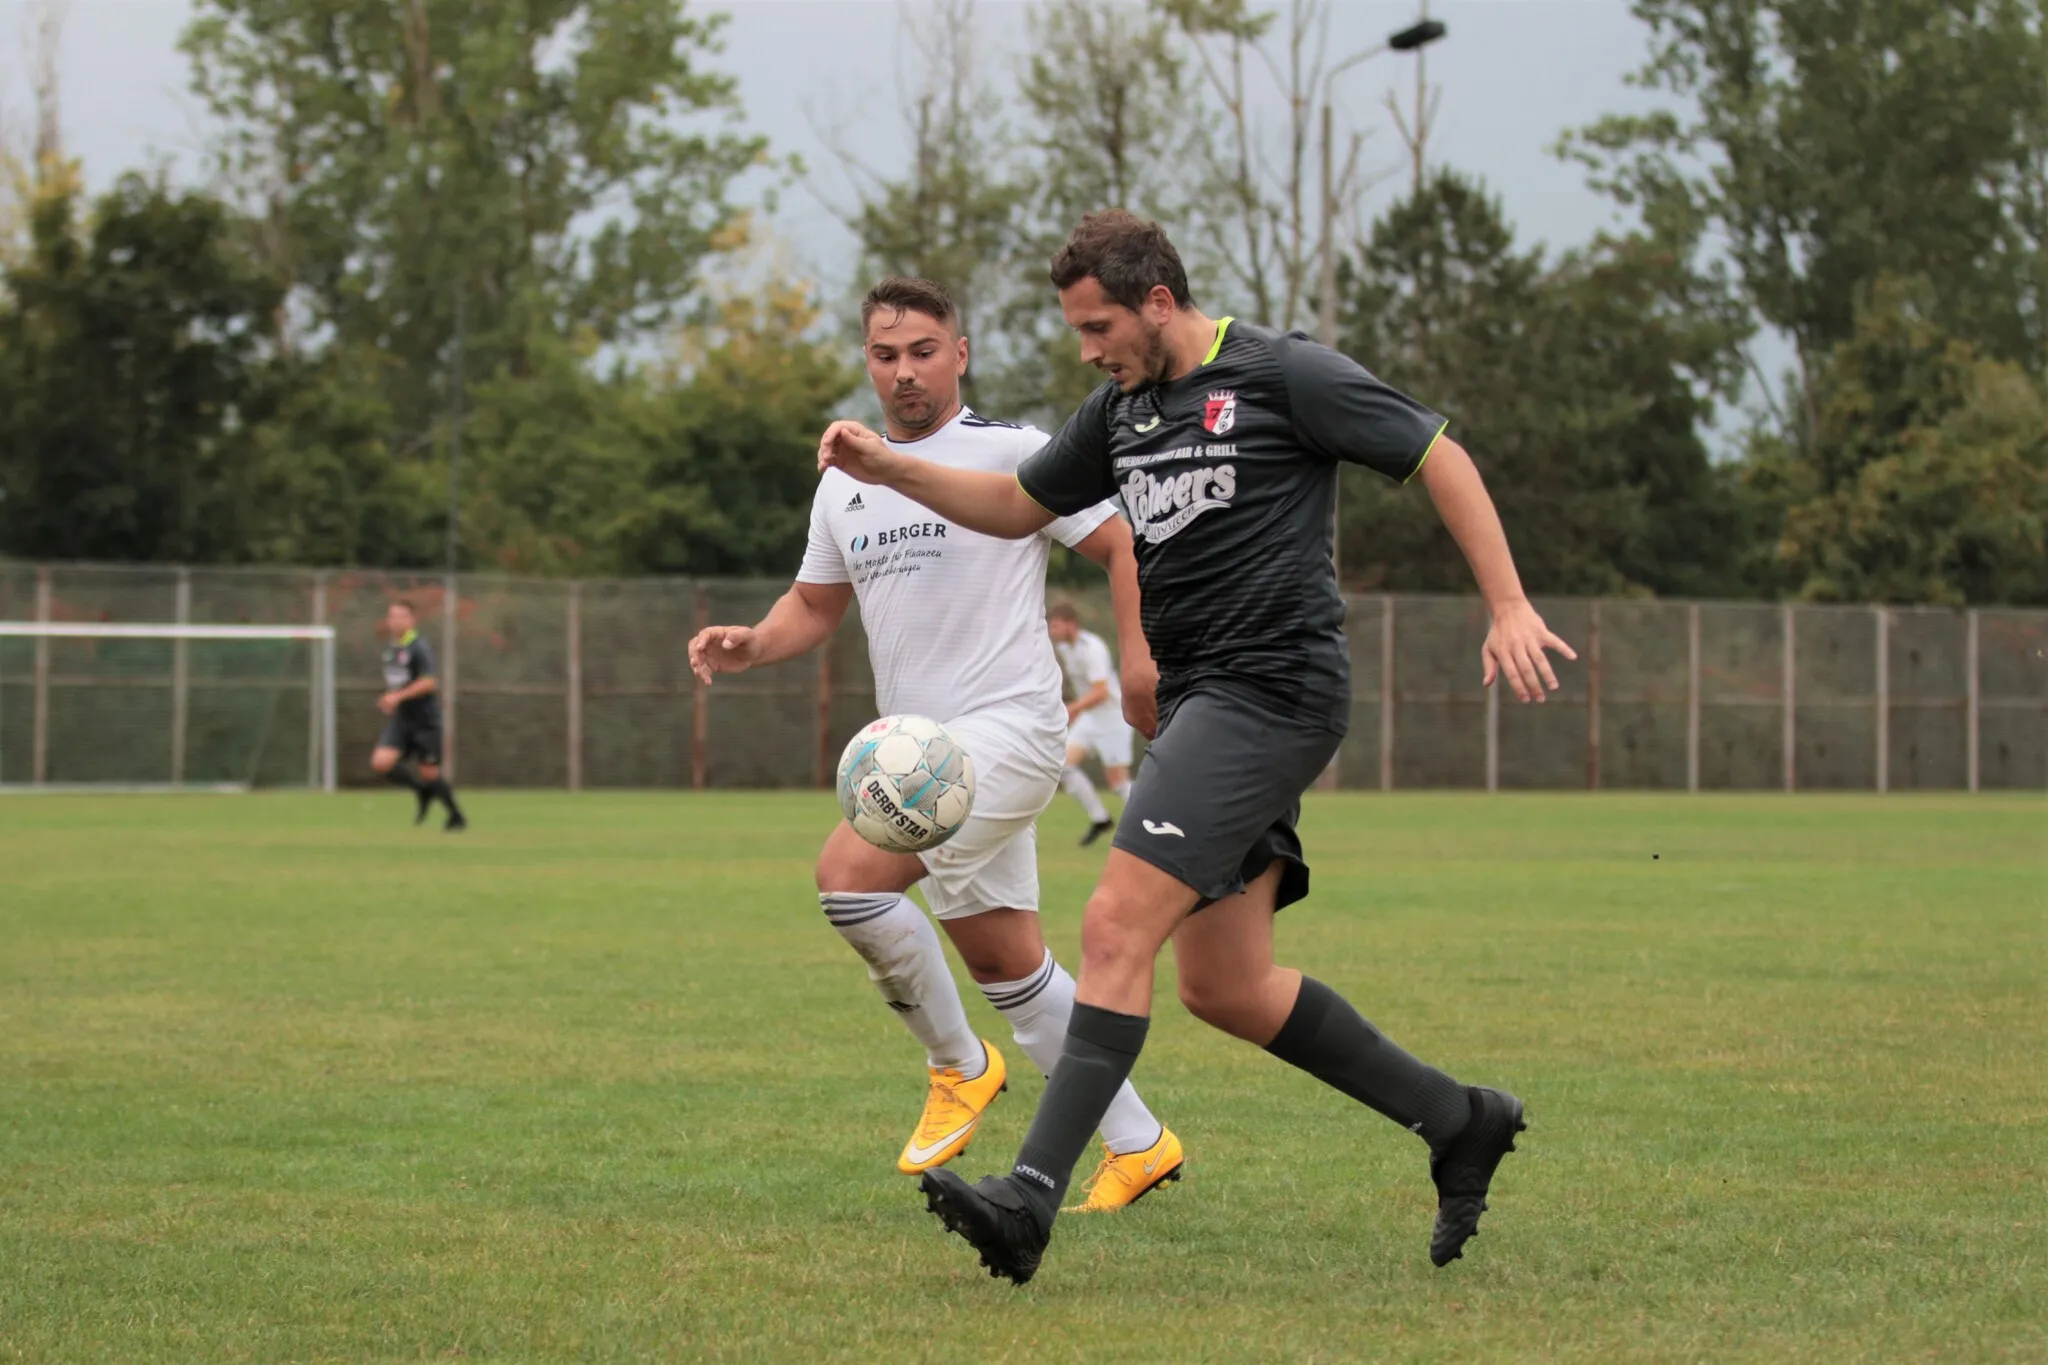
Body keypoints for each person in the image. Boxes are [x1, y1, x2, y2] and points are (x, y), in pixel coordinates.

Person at [816, 212, 1575, 1284]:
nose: (1088, 349)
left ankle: (1027, 1200)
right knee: (1227, 986)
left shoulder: (1280, 373)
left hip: (1268, 692)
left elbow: (1434, 453)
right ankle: (1459, 1120)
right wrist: (891, 468)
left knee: (1113, 922)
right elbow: (1013, 504)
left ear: (1159, 301)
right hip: (1198, 706)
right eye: (1077, 330)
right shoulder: (1120, 413)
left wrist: (1507, 604)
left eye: (1099, 327)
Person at [689, 276, 1182, 1211]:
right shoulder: (844, 480)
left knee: (848, 878)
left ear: (960, 354)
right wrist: (753, 642)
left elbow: (1121, 543)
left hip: (1010, 732)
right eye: (886, 355)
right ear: (868, 362)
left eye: (923, 351)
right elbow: (813, 605)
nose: (905, 371)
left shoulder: (1015, 451)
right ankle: (1139, 1141)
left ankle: (959, 1064)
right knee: (1009, 967)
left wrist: (1137, 662)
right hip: (923, 750)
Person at [370, 600, 466, 832]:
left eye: (401, 616)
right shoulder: (391, 649)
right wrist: (390, 699)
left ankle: (456, 817)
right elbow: (399, 683)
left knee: (430, 774)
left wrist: (398, 696)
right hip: (402, 720)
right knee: (381, 763)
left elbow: (429, 682)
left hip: (426, 722)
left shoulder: (418, 647)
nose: (395, 621)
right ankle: (420, 791)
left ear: (412, 620)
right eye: (392, 616)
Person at [1046, 601, 1134, 846]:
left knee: (1118, 783)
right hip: (1091, 718)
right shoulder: (1065, 648)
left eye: (1056, 625)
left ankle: (1152, 822)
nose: (1052, 631)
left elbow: (1101, 692)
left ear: (1071, 624)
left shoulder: (1093, 647)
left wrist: (1072, 709)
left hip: (1113, 718)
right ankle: (1100, 818)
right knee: (1062, 765)